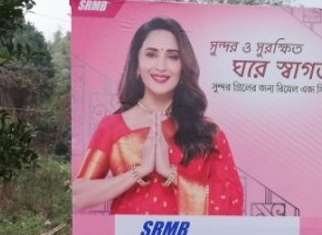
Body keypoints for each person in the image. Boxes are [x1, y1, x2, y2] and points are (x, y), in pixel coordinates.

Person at [73, 17, 244, 215]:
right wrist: (140, 171)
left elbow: (234, 201)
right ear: (136, 65)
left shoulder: (207, 131)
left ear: (183, 67)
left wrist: (169, 173)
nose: (161, 66)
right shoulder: (112, 126)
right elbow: (77, 197)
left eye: (173, 57)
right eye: (151, 54)